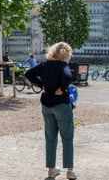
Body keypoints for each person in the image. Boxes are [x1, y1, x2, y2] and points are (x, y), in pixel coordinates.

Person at [24, 42, 77, 180]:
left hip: (46, 105)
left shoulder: (44, 64)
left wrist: (42, 85)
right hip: (61, 106)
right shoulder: (63, 66)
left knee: (50, 138)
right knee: (67, 137)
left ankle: (51, 170)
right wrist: (62, 88)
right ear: (67, 54)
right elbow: (68, 76)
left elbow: (28, 73)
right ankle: (70, 171)